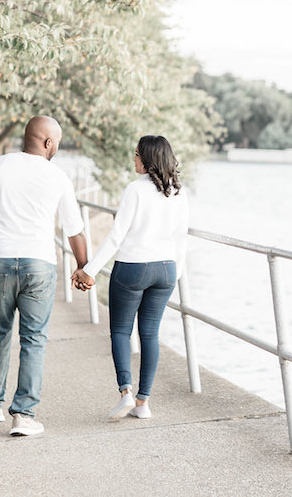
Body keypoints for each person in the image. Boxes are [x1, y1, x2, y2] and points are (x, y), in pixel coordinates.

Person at [0, 115, 91, 437]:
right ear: (48, 142)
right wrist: (83, 265)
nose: (57, 148)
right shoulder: (58, 176)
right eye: (57, 143)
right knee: (34, 340)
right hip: (39, 265)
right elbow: (74, 229)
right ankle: (23, 415)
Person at [72, 135, 188, 420]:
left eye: (136, 153)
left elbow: (116, 237)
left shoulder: (135, 190)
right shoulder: (179, 192)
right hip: (166, 270)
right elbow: (181, 239)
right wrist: (176, 274)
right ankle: (143, 402)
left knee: (122, 331)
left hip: (133, 267)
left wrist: (89, 270)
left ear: (147, 159)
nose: (133, 158)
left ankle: (126, 392)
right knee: (150, 334)